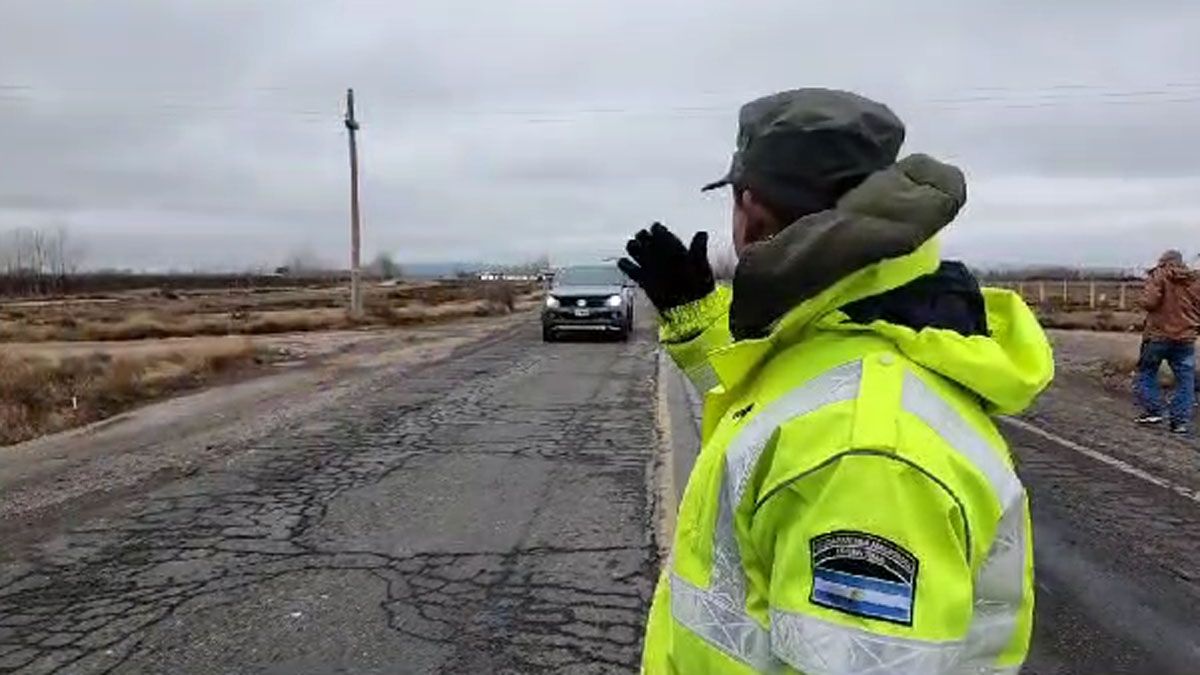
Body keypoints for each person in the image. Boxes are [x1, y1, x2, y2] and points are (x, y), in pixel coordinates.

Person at [619, 89, 1054, 674]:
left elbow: (812, 425)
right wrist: (699, 321)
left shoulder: (863, 451)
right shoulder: (869, 328)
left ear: (752, 210)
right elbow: (782, 401)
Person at [1134, 249, 1199, 433]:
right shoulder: (1194, 280)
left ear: (1163, 261)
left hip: (1158, 335)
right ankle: (1180, 422)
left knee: (1146, 372)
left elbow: (1150, 302)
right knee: (1185, 381)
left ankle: (1153, 411)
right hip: (1185, 337)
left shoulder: (1159, 275)